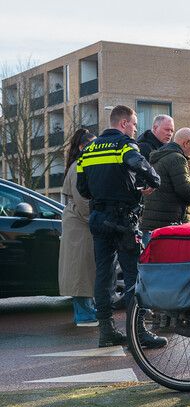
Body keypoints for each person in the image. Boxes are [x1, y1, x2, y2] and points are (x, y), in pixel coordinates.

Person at [76, 105, 165, 348]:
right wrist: (152, 181)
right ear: (124, 123)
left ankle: (107, 332)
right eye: (134, 124)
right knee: (133, 275)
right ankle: (138, 333)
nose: (135, 129)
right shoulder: (125, 144)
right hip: (124, 221)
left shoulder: (88, 150)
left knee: (103, 276)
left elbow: (83, 190)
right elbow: (138, 163)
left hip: (98, 219)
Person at [58, 128, 97, 327]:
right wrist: (96, 220)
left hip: (77, 225)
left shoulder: (74, 165)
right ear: (82, 147)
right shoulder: (79, 167)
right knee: (81, 272)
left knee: (79, 271)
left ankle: (84, 313)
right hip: (81, 226)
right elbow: (84, 202)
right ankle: (85, 315)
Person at [140, 128, 190, 234]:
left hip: (153, 224)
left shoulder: (160, 157)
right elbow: (186, 192)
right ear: (185, 143)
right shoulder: (177, 159)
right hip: (170, 225)